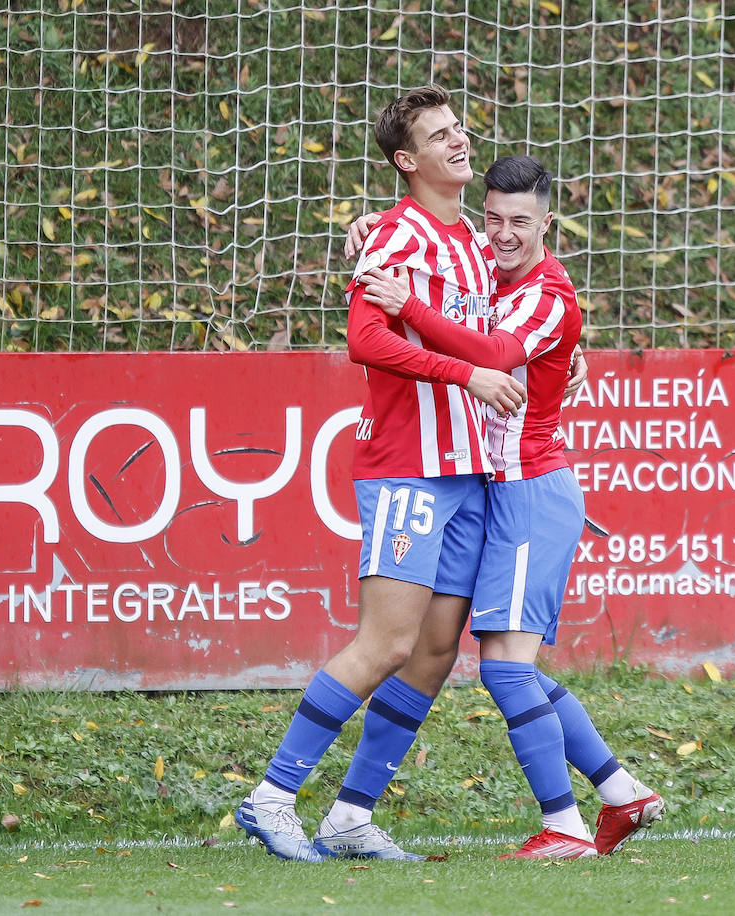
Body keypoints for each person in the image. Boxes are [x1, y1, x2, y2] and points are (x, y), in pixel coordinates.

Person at [234, 85, 528, 863]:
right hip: (409, 469)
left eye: (460, 128)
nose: (460, 142)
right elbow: (365, 340)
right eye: (440, 135)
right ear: (408, 161)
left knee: (434, 651)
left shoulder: (468, 236)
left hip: (469, 471)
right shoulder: (395, 239)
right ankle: (272, 796)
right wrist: (465, 380)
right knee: (386, 643)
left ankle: (351, 815)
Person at [356, 155, 664, 859]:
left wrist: (411, 310)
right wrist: (373, 230)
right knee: (500, 662)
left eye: (519, 221)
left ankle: (565, 827)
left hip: (531, 492)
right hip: (496, 490)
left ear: (546, 222)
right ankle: (620, 793)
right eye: (492, 217)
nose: (501, 233)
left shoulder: (549, 294)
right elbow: (435, 247)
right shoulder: (484, 264)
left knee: (505, 668)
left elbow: (494, 353)